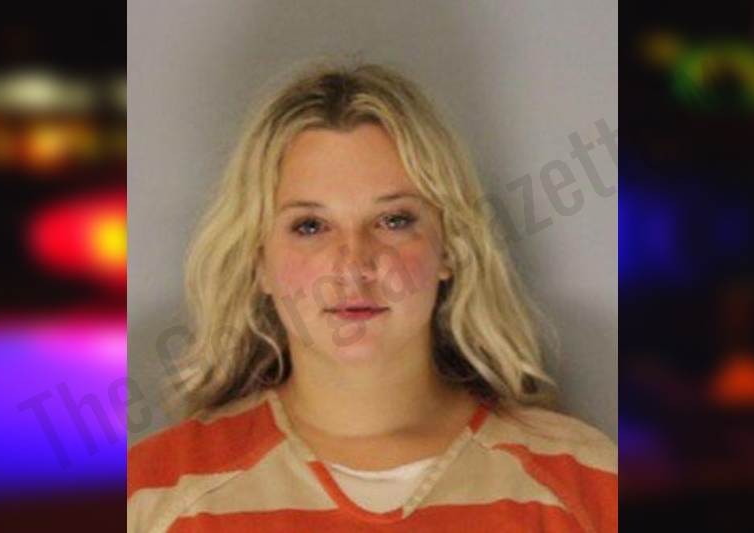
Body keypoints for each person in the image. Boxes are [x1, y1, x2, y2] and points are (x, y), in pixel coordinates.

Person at [128, 61, 617, 532]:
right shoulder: (153, 496)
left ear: (450, 248)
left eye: (394, 220)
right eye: (310, 226)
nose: (354, 264)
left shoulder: (586, 483)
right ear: (258, 262)